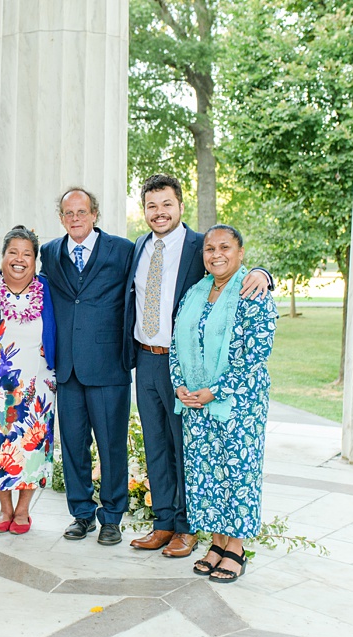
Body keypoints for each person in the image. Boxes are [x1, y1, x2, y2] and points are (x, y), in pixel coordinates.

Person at [125, 174, 272, 559]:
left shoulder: (199, 245)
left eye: (166, 204)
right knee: (156, 446)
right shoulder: (138, 246)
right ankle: (164, 523)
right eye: (151, 206)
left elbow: (232, 262)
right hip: (149, 358)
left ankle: (189, 529)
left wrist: (264, 274)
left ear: (180, 206)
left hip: (199, 374)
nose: (159, 213)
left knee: (186, 449)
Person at [176, 225, 275, 584]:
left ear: (240, 252)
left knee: (237, 474)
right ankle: (216, 544)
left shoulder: (254, 292)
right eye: (209, 248)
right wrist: (180, 385)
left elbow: (256, 355)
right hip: (196, 404)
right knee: (206, 475)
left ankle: (235, 548)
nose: (216, 254)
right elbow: (177, 344)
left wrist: (216, 391)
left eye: (225, 247)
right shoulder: (195, 293)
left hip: (239, 406)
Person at [39, 187, 137, 547]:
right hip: (67, 368)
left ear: (95, 214)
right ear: (61, 217)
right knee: (74, 446)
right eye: (68, 213)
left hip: (109, 365)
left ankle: (112, 517)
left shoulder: (123, 250)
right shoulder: (50, 253)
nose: (75, 219)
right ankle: (81, 514)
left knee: (111, 446)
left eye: (82, 212)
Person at [0, 226, 57, 535]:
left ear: (35, 260)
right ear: (3, 256)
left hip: (38, 383)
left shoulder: (47, 289)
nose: (19, 259)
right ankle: (4, 508)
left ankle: (23, 510)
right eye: (13, 252)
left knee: (32, 446)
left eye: (27, 254)